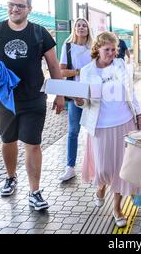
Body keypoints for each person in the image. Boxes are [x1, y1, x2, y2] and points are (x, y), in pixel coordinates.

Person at [0, 0, 65, 211]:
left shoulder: (39, 33)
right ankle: (11, 177)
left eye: (20, 6)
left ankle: (35, 191)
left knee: (33, 143)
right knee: (8, 140)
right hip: (2, 98)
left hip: (34, 97)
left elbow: (53, 65)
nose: (14, 9)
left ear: (29, 9)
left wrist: (60, 94)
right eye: (11, 4)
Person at [75, 31, 141, 228]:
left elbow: (131, 93)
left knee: (122, 169)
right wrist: (80, 101)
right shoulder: (87, 71)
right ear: (97, 49)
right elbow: (85, 101)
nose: (112, 53)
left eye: (115, 50)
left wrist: (139, 115)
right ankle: (100, 188)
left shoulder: (120, 65)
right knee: (104, 167)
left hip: (125, 121)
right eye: (108, 50)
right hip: (101, 126)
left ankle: (117, 208)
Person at [58, 18, 93, 181]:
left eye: (84, 25)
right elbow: (61, 72)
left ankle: (96, 166)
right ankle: (70, 167)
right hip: (75, 94)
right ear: (74, 28)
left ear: (88, 29)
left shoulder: (94, 47)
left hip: (93, 95)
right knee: (73, 132)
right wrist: (79, 72)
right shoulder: (68, 47)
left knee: (95, 132)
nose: (81, 28)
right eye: (78, 25)